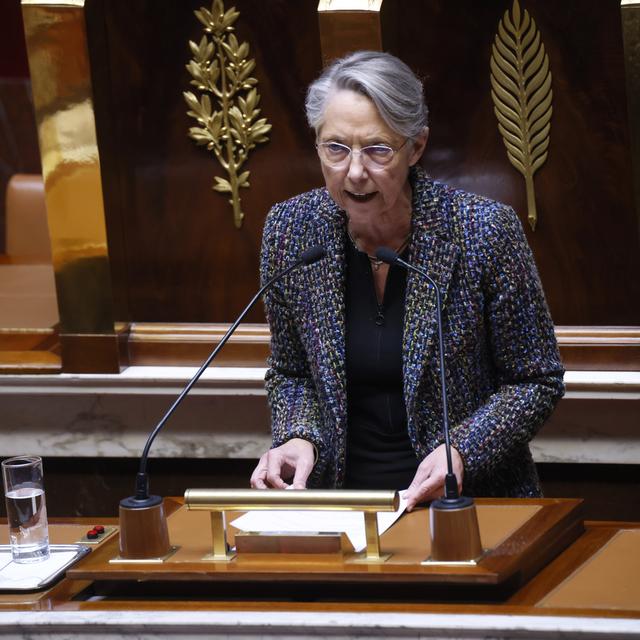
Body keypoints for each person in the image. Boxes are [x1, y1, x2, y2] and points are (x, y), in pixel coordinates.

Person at [250, 51, 564, 510]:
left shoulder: (482, 231)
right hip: (344, 508)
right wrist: (299, 436)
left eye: (377, 149)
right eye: (335, 148)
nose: (354, 171)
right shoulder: (292, 230)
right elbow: (292, 372)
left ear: (415, 147)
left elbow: (536, 379)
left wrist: (463, 449)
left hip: (467, 505)